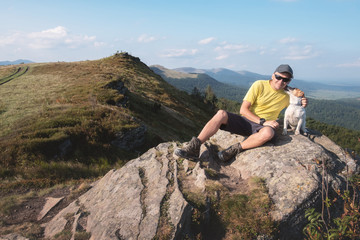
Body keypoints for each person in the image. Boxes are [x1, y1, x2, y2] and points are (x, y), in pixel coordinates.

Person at [175, 64, 308, 162]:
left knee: (268, 132)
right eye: (279, 77)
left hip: (263, 128)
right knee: (221, 113)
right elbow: (243, 110)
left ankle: (233, 150)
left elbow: (297, 106)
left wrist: (302, 102)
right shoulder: (259, 85)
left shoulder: (287, 96)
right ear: (273, 75)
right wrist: (263, 121)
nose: (281, 81)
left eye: (286, 80)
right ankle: (194, 147)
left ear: (289, 81)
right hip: (248, 121)